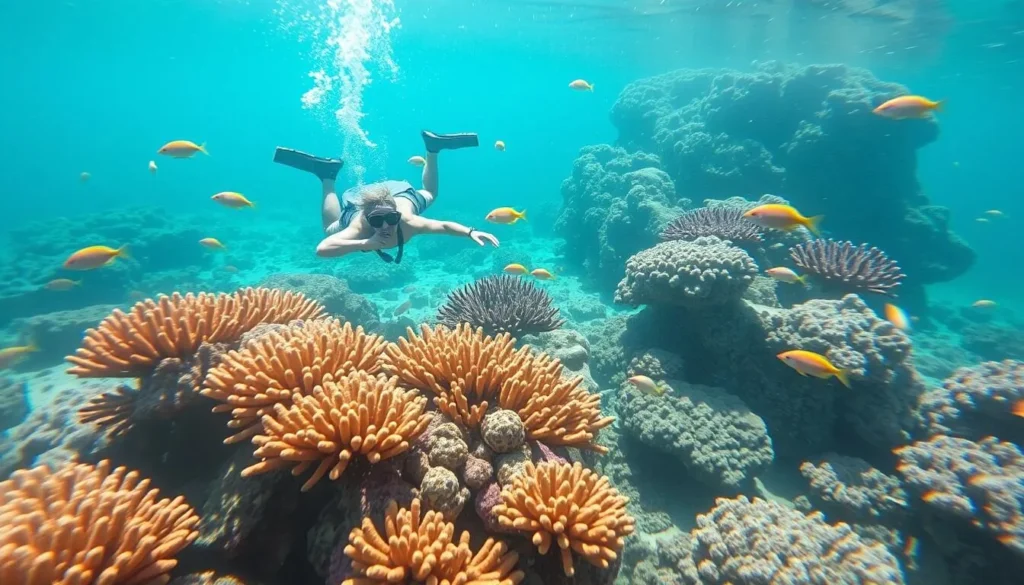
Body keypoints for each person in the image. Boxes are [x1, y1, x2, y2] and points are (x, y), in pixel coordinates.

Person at [273, 130, 500, 263]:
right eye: (376, 221)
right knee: (331, 227)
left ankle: (433, 149)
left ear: (396, 215)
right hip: (360, 206)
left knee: (431, 194)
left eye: (390, 219)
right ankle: (327, 175)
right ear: (367, 218)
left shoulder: (408, 220)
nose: (384, 226)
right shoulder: (359, 227)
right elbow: (322, 248)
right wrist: (365, 242)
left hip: (401, 197)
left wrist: (471, 231)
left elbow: (444, 226)